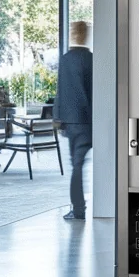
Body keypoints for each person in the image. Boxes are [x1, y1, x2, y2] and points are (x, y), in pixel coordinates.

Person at [56, 20, 94, 220]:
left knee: (77, 165)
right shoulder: (92, 59)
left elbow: (60, 91)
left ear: (73, 34)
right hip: (92, 120)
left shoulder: (66, 59)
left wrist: (58, 118)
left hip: (74, 121)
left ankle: (78, 209)